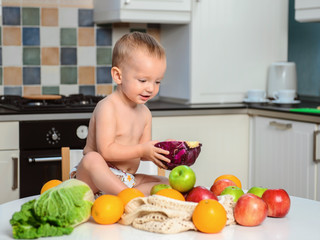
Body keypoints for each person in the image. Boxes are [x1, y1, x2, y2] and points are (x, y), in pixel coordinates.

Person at [75, 32, 171, 196]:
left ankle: (126, 196)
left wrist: (160, 152)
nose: (150, 88)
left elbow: (142, 153)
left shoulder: (145, 113)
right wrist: (142, 150)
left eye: (157, 81)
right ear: (118, 76)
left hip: (126, 179)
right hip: (93, 180)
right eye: (143, 80)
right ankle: (129, 197)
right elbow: (106, 151)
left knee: (167, 184)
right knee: (92, 159)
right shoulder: (107, 107)